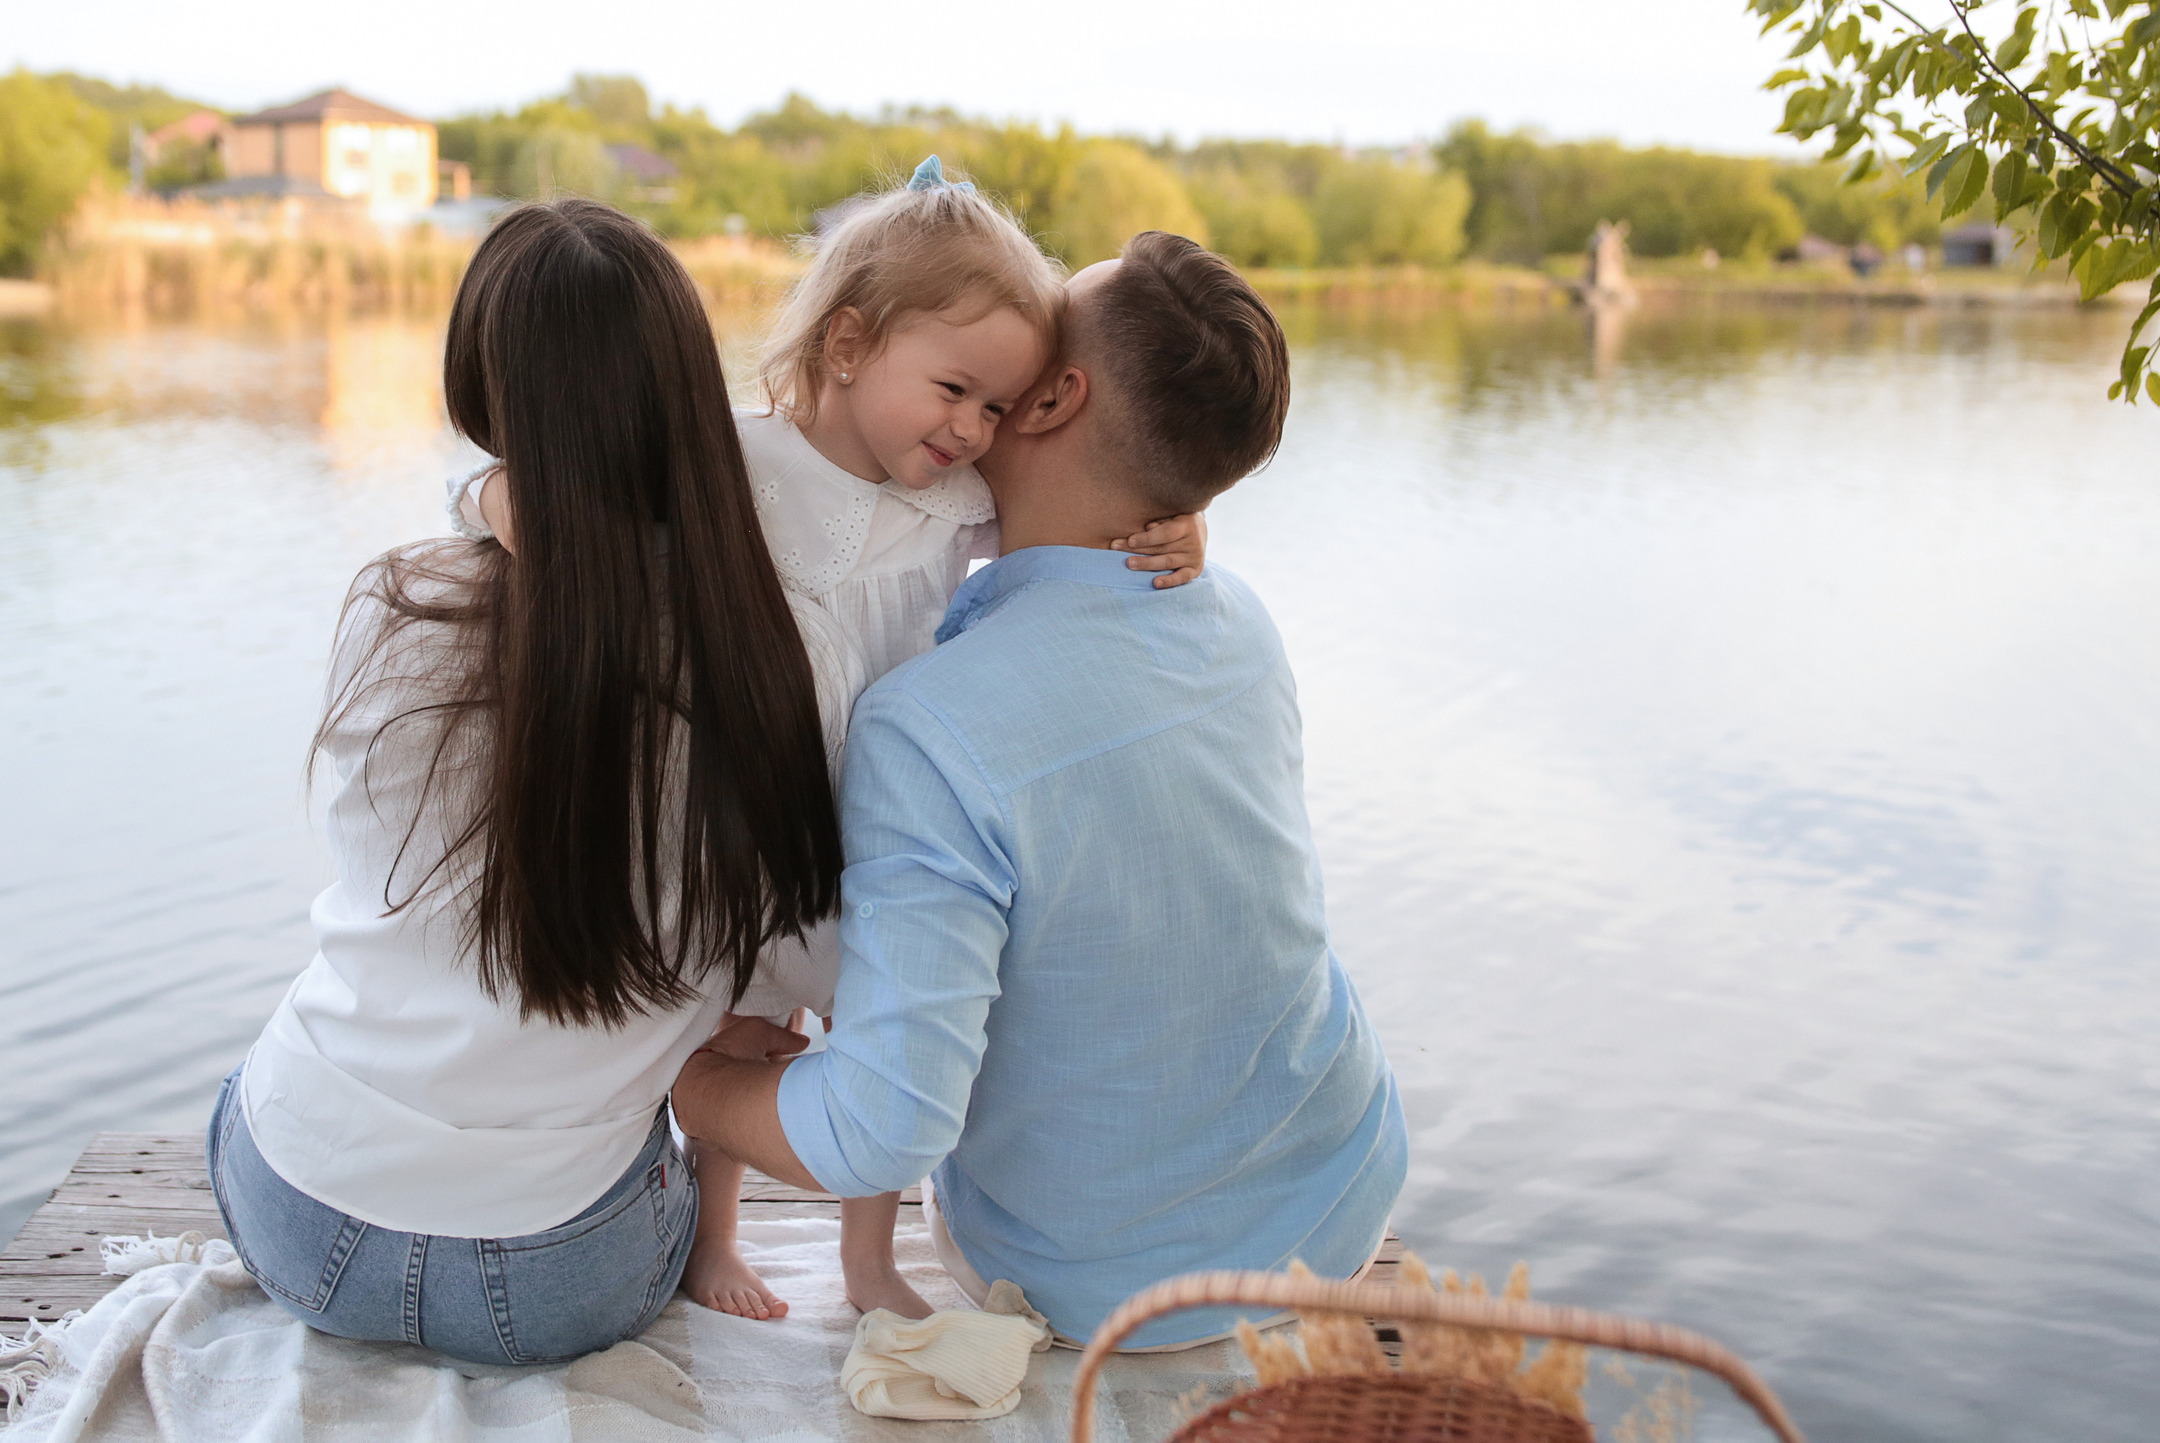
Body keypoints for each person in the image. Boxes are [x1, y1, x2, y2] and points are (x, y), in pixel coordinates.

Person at [460, 159, 1208, 1324]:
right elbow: (562, 494)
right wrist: (498, 507)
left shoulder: (960, 500)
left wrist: (1186, 519)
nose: (971, 429)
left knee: (880, 1016)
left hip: (893, 816)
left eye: (998, 410)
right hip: (747, 800)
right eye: (954, 389)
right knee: (738, 1017)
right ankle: (715, 1234)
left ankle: (870, 1255)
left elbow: (1101, 503)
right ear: (849, 343)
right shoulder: (729, 464)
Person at [673, 231, 1409, 1351]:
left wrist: (691, 1086)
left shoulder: (932, 728)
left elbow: (883, 1127)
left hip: (1108, 1281)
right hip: (1346, 1182)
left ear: (1056, 394)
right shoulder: (1242, 624)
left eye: (1048, 327)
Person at [207, 200, 854, 1366]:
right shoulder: (772, 661)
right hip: (553, 1277)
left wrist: (483, 503)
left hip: (294, 1208)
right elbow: (810, 968)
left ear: (480, 390)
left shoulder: (390, 604)